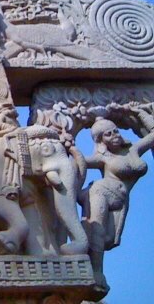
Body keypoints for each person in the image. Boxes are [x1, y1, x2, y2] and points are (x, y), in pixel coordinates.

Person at [80, 113, 154, 288]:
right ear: (101, 141)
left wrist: (141, 113)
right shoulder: (102, 158)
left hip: (119, 199)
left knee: (105, 235)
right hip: (101, 191)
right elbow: (79, 161)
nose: (115, 136)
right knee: (96, 228)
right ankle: (95, 273)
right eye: (109, 134)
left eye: (116, 131)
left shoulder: (133, 150)